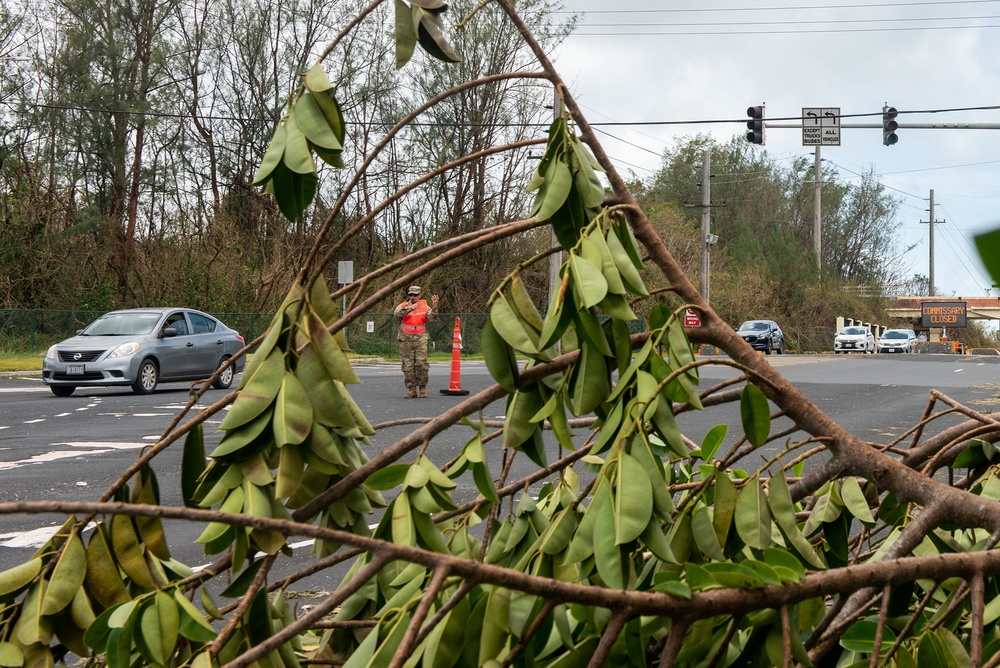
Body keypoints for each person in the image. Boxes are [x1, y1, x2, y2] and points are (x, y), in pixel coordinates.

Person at [394, 285, 439, 398]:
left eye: (415, 295)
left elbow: (432, 319)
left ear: (420, 295)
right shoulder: (403, 306)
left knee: (421, 364)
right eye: (411, 295)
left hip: (420, 339)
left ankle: (422, 388)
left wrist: (434, 307)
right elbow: (397, 314)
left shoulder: (425, 307)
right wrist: (411, 307)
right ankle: (412, 389)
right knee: (407, 365)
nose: (413, 297)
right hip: (406, 339)